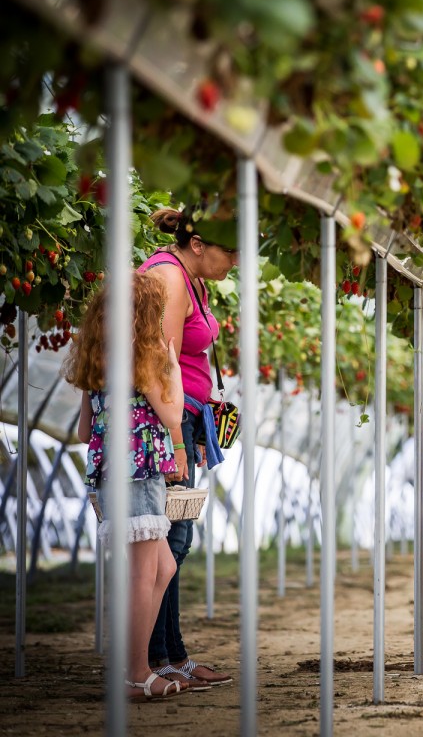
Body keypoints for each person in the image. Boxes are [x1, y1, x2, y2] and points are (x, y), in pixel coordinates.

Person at [65, 274, 187, 701]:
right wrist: (173, 370)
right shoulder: (142, 355)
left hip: (113, 472)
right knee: (143, 574)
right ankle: (134, 672)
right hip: (139, 472)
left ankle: (136, 668)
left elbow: (84, 431)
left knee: (163, 568)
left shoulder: (98, 358)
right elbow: (172, 415)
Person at [139, 207, 238, 689]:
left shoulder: (191, 280)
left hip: (184, 421)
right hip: (164, 426)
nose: (234, 261)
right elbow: (162, 364)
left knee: (175, 540)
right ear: (197, 244)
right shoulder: (171, 278)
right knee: (168, 541)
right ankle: (158, 659)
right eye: (229, 252)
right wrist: (177, 440)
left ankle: (170, 653)